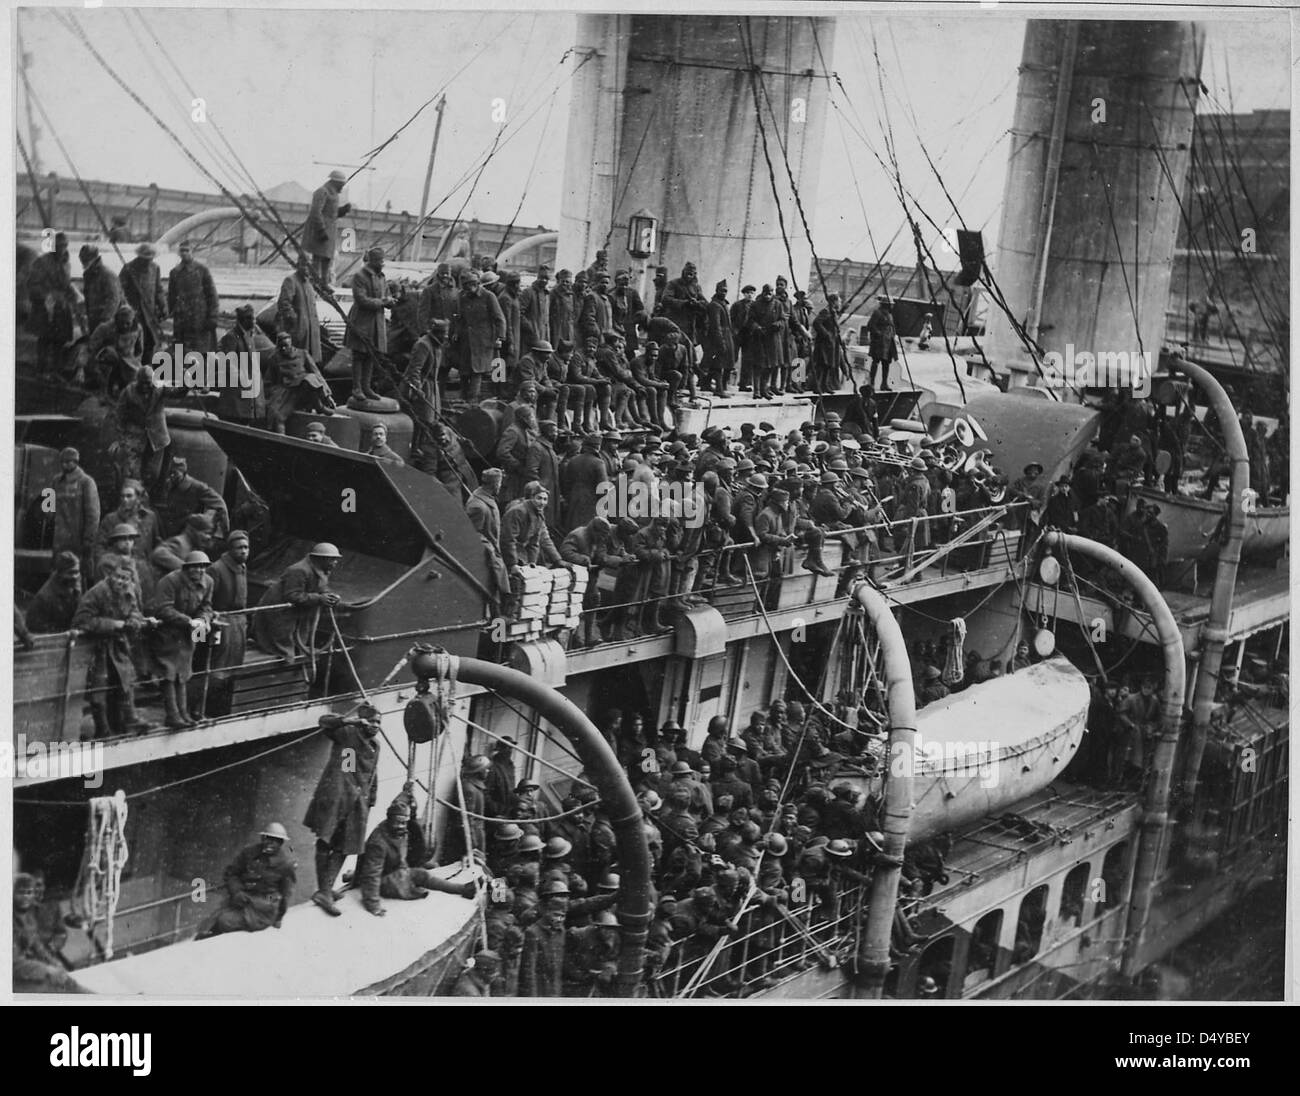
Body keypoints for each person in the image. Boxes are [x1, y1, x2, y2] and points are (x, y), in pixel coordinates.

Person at [303, 707, 382, 915]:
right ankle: (324, 891)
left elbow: (373, 774)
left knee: (346, 845)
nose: (376, 726)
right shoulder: (347, 733)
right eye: (372, 721)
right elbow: (324, 721)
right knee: (326, 840)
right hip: (337, 796)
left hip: (357, 801)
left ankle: (326, 889)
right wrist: (351, 721)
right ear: (363, 721)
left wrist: (371, 799)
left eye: (379, 723)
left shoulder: (375, 745)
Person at [358, 792, 477, 917]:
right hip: (383, 880)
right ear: (389, 819)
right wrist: (373, 905)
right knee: (416, 877)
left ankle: (462, 889)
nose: (400, 826)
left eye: (403, 823)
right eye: (397, 822)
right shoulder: (378, 842)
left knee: (424, 872)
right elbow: (372, 875)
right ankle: (460, 889)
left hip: (395, 870)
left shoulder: (400, 832)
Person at [71, 563, 151, 738]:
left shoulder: (129, 591)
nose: (121, 582)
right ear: (110, 576)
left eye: (126, 578)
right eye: (118, 577)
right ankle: (102, 729)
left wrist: (134, 621)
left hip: (117, 646)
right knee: (98, 691)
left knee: (125, 683)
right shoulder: (96, 592)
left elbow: (136, 611)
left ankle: (130, 721)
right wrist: (113, 624)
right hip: (97, 648)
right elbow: (81, 620)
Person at [251, 542, 342, 675]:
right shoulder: (299, 570)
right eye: (333, 559)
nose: (335, 563)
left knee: (299, 639)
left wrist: (330, 596)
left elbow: (322, 587)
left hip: (296, 612)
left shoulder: (321, 570)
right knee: (281, 643)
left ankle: (293, 654)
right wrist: (319, 599)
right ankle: (284, 662)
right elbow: (292, 595)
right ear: (321, 559)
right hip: (279, 612)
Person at [147, 550, 215, 728]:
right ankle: (173, 715)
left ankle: (184, 714)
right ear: (186, 568)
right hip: (167, 633)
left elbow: (206, 606)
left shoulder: (208, 582)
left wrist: (203, 619)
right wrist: (188, 621)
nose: (200, 570)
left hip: (188, 633)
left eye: (203, 567)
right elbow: (162, 609)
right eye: (195, 567)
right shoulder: (170, 581)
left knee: (184, 673)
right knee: (169, 673)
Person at [197, 823, 297, 937]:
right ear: (262, 838)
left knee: (224, 921)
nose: (271, 843)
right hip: (242, 898)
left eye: (276, 841)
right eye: (268, 839)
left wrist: (279, 918)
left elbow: (286, 893)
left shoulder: (285, 864)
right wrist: (237, 891)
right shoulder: (249, 853)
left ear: (281, 843)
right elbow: (231, 873)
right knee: (209, 922)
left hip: (263, 908)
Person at [202, 530, 250, 718]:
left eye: (246, 547)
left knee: (233, 668)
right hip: (221, 622)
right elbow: (207, 600)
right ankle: (209, 710)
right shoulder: (217, 569)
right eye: (239, 548)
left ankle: (223, 710)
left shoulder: (242, 567)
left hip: (238, 623)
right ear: (230, 549)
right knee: (217, 668)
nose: (244, 551)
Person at [345, 247, 395, 402]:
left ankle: (366, 387)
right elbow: (361, 299)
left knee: (371, 355)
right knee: (359, 355)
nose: (382, 263)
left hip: (377, 322)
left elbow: (386, 295)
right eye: (380, 261)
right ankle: (357, 388)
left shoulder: (381, 277)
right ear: (372, 261)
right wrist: (382, 302)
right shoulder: (360, 276)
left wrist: (391, 301)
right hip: (362, 321)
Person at [264, 330, 336, 433]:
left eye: (285, 346)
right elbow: (269, 380)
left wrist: (327, 395)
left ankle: (319, 406)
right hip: (287, 392)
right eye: (281, 347)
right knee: (278, 416)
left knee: (310, 378)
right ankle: (282, 442)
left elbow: (317, 374)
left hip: (305, 390)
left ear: (291, 344)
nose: (283, 349)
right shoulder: (274, 358)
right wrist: (272, 394)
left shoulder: (303, 354)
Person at [27, 231, 78, 374]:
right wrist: (48, 295)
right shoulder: (42, 262)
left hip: (62, 308)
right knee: (44, 339)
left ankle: (56, 371)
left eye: (65, 245)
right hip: (46, 308)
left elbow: (66, 283)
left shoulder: (66, 263)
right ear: (53, 246)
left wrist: (72, 294)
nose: (62, 248)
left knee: (60, 341)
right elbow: (32, 284)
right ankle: (41, 370)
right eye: (59, 245)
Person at [114, 364, 170, 493]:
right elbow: (119, 414)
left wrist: (187, 383)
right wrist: (122, 438)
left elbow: (175, 391)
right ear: (137, 381)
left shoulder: (160, 388)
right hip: (134, 437)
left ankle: (145, 500)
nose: (145, 386)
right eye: (142, 383)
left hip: (157, 439)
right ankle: (134, 501)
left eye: (148, 383)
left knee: (152, 474)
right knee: (133, 474)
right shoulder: (129, 391)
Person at [453, 269, 506, 404]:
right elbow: (460, 318)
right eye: (464, 286)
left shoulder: (489, 297)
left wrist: (500, 337)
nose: (466, 289)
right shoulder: (462, 297)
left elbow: (499, 318)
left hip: (483, 342)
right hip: (466, 341)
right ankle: (463, 401)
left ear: (475, 284)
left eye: (469, 286)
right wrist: (456, 333)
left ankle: (472, 403)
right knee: (464, 373)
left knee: (477, 372)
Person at [216, 305, 274, 423]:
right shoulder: (231, 337)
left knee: (247, 418)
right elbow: (227, 361)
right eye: (252, 319)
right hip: (236, 390)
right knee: (236, 418)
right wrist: (242, 378)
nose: (254, 322)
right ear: (244, 320)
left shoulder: (249, 336)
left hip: (248, 389)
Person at [50, 447, 100, 576]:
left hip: (78, 539)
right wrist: (48, 515)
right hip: (59, 540)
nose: (65, 465)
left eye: (68, 461)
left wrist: (88, 540)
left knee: (79, 576)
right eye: (62, 462)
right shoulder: (56, 481)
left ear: (76, 462)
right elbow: (48, 505)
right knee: (59, 576)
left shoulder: (87, 482)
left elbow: (93, 514)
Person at [167, 240, 220, 353]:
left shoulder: (202, 270)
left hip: (199, 319)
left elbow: (212, 295)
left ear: (192, 252)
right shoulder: (174, 272)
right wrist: (168, 312)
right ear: (179, 253)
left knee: (201, 352)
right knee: (180, 352)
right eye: (182, 250)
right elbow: (171, 296)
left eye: (187, 250)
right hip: (181, 321)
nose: (184, 253)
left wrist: (213, 317)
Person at [119, 242, 168, 364]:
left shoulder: (155, 268)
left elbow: (158, 290)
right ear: (139, 257)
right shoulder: (128, 268)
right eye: (145, 258)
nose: (147, 261)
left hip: (150, 314)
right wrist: (126, 307)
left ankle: (146, 370)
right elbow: (119, 290)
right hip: (134, 314)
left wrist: (163, 306)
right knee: (134, 343)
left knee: (150, 342)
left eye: (150, 258)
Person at [304, 169, 352, 285]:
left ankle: (324, 284)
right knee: (317, 259)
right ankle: (314, 285)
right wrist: (320, 230)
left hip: (329, 231)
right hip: (320, 231)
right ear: (335, 182)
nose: (342, 187)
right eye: (342, 184)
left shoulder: (333, 194)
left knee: (327, 259)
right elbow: (316, 212)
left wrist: (343, 210)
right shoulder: (322, 192)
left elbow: (331, 214)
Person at [275, 252, 322, 361]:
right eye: (304, 264)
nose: (306, 268)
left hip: (310, 332)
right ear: (298, 264)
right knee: (297, 360)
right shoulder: (291, 280)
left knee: (310, 362)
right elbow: (284, 303)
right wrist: (295, 320)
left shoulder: (309, 283)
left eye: (309, 265)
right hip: (298, 331)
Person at [25, 552, 84, 634]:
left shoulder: (75, 585)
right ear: (60, 573)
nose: (75, 577)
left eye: (77, 572)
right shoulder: (44, 597)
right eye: (70, 573)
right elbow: (35, 628)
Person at [79, 243, 123, 335]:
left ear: (94, 259)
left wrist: (105, 321)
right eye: (82, 260)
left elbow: (114, 299)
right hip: (93, 319)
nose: (83, 263)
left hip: (106, 322)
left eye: (86, 260)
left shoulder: (107, 274)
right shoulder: (89, 274)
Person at [865, 296, 897, 391]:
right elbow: (870, 325)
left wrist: (893, 334)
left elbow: (892, 327)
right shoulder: (877, 313)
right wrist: (879, 333)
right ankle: (871, 383)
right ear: (886, 305)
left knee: (886, 363)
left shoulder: (889, 315)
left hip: (888, 342)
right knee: (875, 363)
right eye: (891, 304)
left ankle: (884, 384)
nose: (892, 306)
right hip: (879, 343)